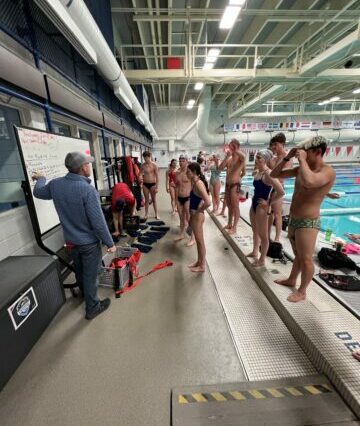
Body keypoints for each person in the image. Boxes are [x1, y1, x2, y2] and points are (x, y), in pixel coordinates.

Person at [32, 152, 116, 320]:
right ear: (82, 167)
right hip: (89, 244)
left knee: (80, 271)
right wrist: (109, 242)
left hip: (71, 241)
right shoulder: (87, 190)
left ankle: (86, 294)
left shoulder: (56, 185)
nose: (90, 167)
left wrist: (41, 178)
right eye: (88, 164)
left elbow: (39, 192)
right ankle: (92, 307)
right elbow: (98, 222)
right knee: (91, 275)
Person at [270, 136, 335, 302]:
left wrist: (302, 160)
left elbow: (310, 182)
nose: (301, 156)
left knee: (306, 259)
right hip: (294, 219)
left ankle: (302, 291)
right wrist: (287, 157)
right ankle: (292, 279)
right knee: (297, 255)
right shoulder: (301, 169)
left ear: (318, 152)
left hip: (308, 222)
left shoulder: (327, 171)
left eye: (306, 153)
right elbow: (274, 174)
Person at [247, 149, 284, 267]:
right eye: (256, 157)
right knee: (254, 230)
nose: (256, 159)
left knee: (263, 235)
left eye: (259, 157)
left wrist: (269, 203)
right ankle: (254, 252)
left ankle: (262, 260)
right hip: (254, 203)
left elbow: (281, 191)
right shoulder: (259, 172)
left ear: (266, 160)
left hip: (262, 206)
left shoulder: (269, 173)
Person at [186, 162, 211, 272]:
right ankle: (198, 261)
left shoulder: (198, 184)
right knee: (198, 240)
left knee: (200, 242)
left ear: (194, 172)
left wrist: (198, 211)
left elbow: (208, 202)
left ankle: (202, 266)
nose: (186, 173)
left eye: (188, 172)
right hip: (195, 215)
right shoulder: (195, 182)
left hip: (198, 216)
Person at [218, 139, 246, 234]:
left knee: (235, 206)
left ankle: (234, 227)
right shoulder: (229, 159)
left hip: (235, 185)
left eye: (232, 146)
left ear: (237, 147)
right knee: (229, 206)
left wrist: (237, 179)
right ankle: (229, 224)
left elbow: (244, 169)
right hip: (227, 185)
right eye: (230, 146)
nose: (230, 148)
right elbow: (220, 168)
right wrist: (226, 157)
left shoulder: (240, 158)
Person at [268, 133, 292, 242]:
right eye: (272, 145)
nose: (274, 147)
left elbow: (282, 176)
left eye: (276, 145)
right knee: (269, 213)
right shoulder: (273, 158)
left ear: (282, 144)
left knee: (277, 214)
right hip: (269, 188)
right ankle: (267, 235)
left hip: (278, 189)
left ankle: (277, 238)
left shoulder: (287, 158)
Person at [174, 155, 195, 246]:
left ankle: (193, 238)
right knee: (181, 218)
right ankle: (181, 234)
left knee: (189, 219)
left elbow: (195, 185)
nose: (181, 162)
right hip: (179, 198)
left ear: (187, 161)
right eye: (180, 161)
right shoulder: (177, 173)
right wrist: (175, 200)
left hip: (188, 198)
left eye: (183, 161)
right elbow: (177, 186)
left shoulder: (190, 173)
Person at [141, 151, 159, 219]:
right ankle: (146, 214)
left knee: (154, 199)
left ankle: (156, 214)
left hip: (152, 184)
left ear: (149, 157)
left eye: (146, 158)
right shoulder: (143, 165)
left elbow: (157, 177)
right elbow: (140, 174)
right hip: (145, 184)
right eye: (144, 158)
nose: (145, 159)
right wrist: (140, 178)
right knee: (146, 200)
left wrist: (157, 187)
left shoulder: (154, 165)